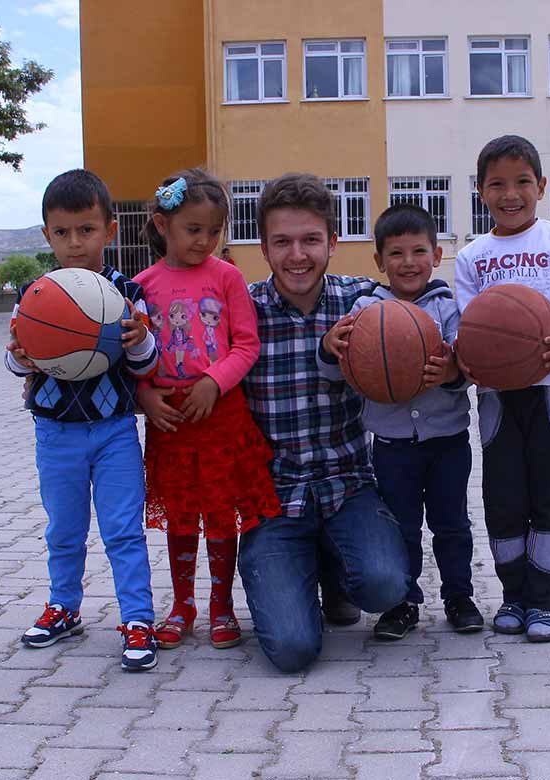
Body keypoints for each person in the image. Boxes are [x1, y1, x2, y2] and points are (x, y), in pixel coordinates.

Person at [237, 172, 409, 672]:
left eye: (311, 239)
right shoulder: (242, 311)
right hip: (274, 499)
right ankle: (293, 569)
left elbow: (426, 315)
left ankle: (335, 571)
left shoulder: (364, 304)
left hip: (348, 486)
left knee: (386, 586)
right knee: (292, 651)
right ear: (264, 249)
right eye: (283, 242)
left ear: (333, 242)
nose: (298, 255)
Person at [455, 135, 550, 642]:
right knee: (503, 499)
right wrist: (467, 354)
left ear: (541, 186)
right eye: (497, 183)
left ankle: (544, 601)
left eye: (522, 181)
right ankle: (512, 594)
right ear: (480, 192)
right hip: (498, 395)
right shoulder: (472, 256)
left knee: (549, 498)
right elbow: (463, 326)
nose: (511, 193)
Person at [5, 169, 159, 671]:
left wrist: (142, 342)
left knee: (122, 530)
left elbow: (146, 366)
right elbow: (15, 359)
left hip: (114, 432)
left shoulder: (127, 294)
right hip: (55, 434)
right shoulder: (36, 296)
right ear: (48, 234)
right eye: (63, 232)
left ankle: (138, 619)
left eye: (86, 230)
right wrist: (22, 359)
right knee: (64, 529)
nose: (75, 243)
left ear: (109, 231)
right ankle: (64, 607)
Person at [316, 204, 481, 641]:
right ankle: (404, 602)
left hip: (448, 440)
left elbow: (467, 366)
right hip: (391, 445)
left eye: (418, 251)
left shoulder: (448, 308)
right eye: (396, 253)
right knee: (402, 527)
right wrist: (329, 347)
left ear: (437, 255)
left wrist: (450, 374)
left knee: (452, 524)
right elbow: (340, 371)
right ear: (379, 261)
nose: (408, 262)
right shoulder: (366, 309)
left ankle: (459, 596)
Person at [135, 169, 281, 651]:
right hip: (171, 423)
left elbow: (246, 344)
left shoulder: (229, 277)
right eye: (193, 230)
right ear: (162, 225)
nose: (205, 241)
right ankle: (182, 605)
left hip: (220, 416)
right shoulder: (140, 286)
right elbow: (129, 356)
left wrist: (213, 383)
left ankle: (221, 605)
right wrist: (144, 397)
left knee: (220, 517)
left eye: (214, 231)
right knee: (180, 517)